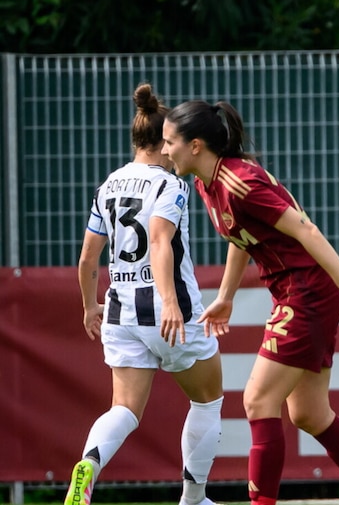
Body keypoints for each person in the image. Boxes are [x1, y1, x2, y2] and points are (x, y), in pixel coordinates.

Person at [161, 100, 339, 505]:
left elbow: (307, 229)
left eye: (170, 142)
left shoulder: (240, 182)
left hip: (306, 291)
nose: (165, 150)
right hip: (297, 291)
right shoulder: (207, 183)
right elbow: (244, 236)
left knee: (258, 400)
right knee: (311, 414)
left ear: (197, 145)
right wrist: (225, 296)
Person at [68, 83, 224, 505]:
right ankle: (194, 499)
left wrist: (88, 307)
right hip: (169, 309)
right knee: (208, 400)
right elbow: (159, 243)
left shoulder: (109, 185)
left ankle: (89, 465)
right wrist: (170, 302)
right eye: (171, 141)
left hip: (119, 311)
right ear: (162, 143)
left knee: (125, 409)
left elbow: (87, 260)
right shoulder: (171, 185)